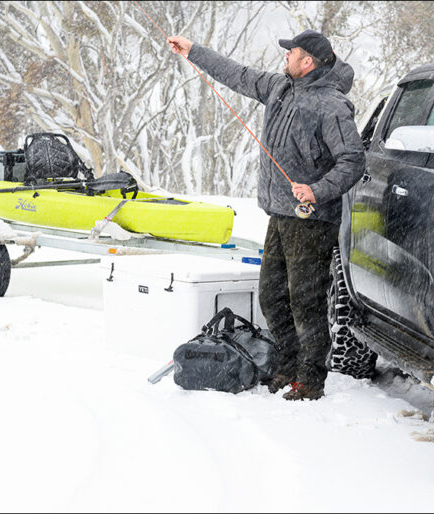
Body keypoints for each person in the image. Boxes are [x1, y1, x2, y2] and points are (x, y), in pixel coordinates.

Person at [167, 30, 365, 400]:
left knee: (304, 302)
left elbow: (353, 160)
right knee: (272, 296)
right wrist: (193, 51)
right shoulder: (279, 87)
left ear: (307, 62)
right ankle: (287, 365)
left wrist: (316, 190)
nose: (285, 57)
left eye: (291, 53)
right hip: (279, 214)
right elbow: (236, 73)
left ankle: (310, 379)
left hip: (311, 219)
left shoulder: (331, 105)